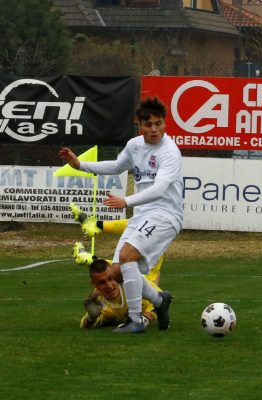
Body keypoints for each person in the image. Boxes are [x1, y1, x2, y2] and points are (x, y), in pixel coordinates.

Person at [59, 97, 183, 333]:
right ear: (140, 125)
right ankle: (159, 301)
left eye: (159, 124)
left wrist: (125, 201)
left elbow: (159, 189)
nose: (155, 129)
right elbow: (116, 165)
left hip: (165, 215)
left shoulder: (170, 152)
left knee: (127, 256)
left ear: (165, 124)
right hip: (143, 215)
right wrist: (80, 165)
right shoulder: (135, 145)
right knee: (117, 272)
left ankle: (136, 321)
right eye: (149, 125)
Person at [70, 203, 163, 284]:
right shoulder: (156, 223)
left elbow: (124, 267)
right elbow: (130, 224)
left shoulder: (154, 229)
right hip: (146, 286)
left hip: (141, 287)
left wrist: (93, 260)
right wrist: (97, 225)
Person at [81, 259, 159, 330]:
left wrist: (144, 320)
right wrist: (91, 318)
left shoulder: (132, 284)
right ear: (94, 284)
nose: (109, 285)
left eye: (111, 278)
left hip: (147, 272)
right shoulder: (101, 303)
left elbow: (162, 298)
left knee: (153, 275)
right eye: (102, 282)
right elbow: (86, 325)